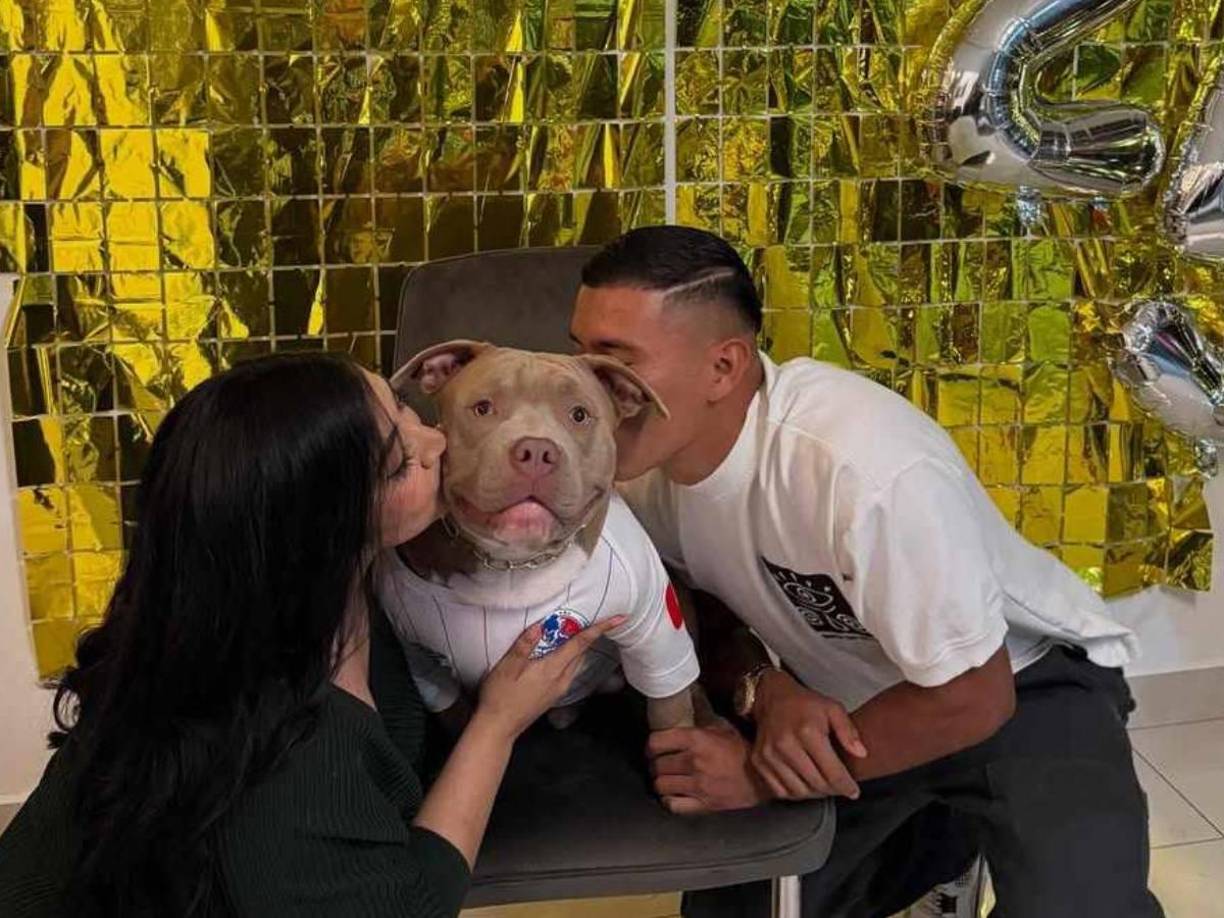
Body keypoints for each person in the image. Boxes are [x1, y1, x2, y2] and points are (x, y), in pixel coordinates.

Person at [569, 225, 1162, 918]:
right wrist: (767, 688)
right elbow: (698, 606)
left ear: (723, 368)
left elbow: (977, 693)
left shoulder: (860, 468)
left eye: (615, 360)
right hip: (846, 698)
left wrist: (763, 774)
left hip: (1019, 686)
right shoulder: (638, 473)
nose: (587, 384)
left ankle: (969, 827)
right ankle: (943, 841)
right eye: (577, 350)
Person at [0, 352, 623, 918]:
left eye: (403, 408)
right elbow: (410, 906)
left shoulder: (309, 601)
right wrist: (498, 722)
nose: (436, 439)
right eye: (401, 463)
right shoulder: (288, 765)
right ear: (325, 530)